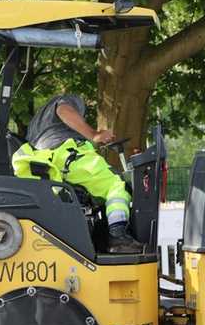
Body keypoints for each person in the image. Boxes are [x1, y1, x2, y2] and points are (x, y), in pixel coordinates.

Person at [13, 94, 145, 254]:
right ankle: (118, 235)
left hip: (45, 162)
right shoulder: (69, 99)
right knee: (116, 185)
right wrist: (94, 134)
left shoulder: (38, 120)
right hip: (69, 154)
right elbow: (64, 110)